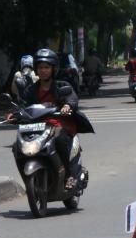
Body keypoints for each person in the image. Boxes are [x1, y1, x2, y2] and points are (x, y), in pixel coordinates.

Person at [13, 48, 94, 190]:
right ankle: (27, 179)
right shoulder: (31, 90)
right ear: (36, 70)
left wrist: (68, 105)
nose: (43, 70)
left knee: (59, 139)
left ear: (53, 69)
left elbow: (72, 98)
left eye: (46, 67)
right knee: (17, 146)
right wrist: (14, 114)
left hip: (60, 123)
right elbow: (23, 105)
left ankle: (69, 175)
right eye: (40, 67)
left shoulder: (62, 86)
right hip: (37, 125)